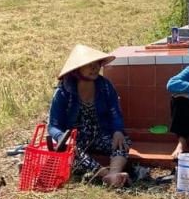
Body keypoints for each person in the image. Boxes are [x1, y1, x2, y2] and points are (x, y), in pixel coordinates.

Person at [48, 44, 130, 188]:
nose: (94, 68)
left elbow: (115, 112)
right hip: (75, 141)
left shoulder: (105, 86)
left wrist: (117, 130)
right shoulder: (63, 92)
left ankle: (115, 172)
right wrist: (63, 139)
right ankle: (106, 175)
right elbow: (53, 126)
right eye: (88, 65)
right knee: (72, 154)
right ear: (77, 69)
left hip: (99, 135)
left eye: (96, 64)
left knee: (123, 142)